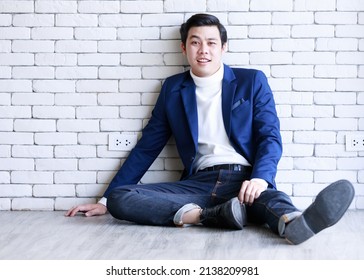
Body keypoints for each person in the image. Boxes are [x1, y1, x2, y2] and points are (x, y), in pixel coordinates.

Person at [66, 13, 355, 245]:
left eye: (211, 43)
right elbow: (147, 147)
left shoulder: (251, 81)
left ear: (223, 47)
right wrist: (105, 200)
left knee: (270, 200)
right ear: (184, 48)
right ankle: (208, 216)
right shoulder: (172, 89)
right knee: (121, 198)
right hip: (198, 184)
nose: (203, 50)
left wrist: (261, 178)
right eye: (195, 42)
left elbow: (269, 136)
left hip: (244, 179)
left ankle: (294, 224)